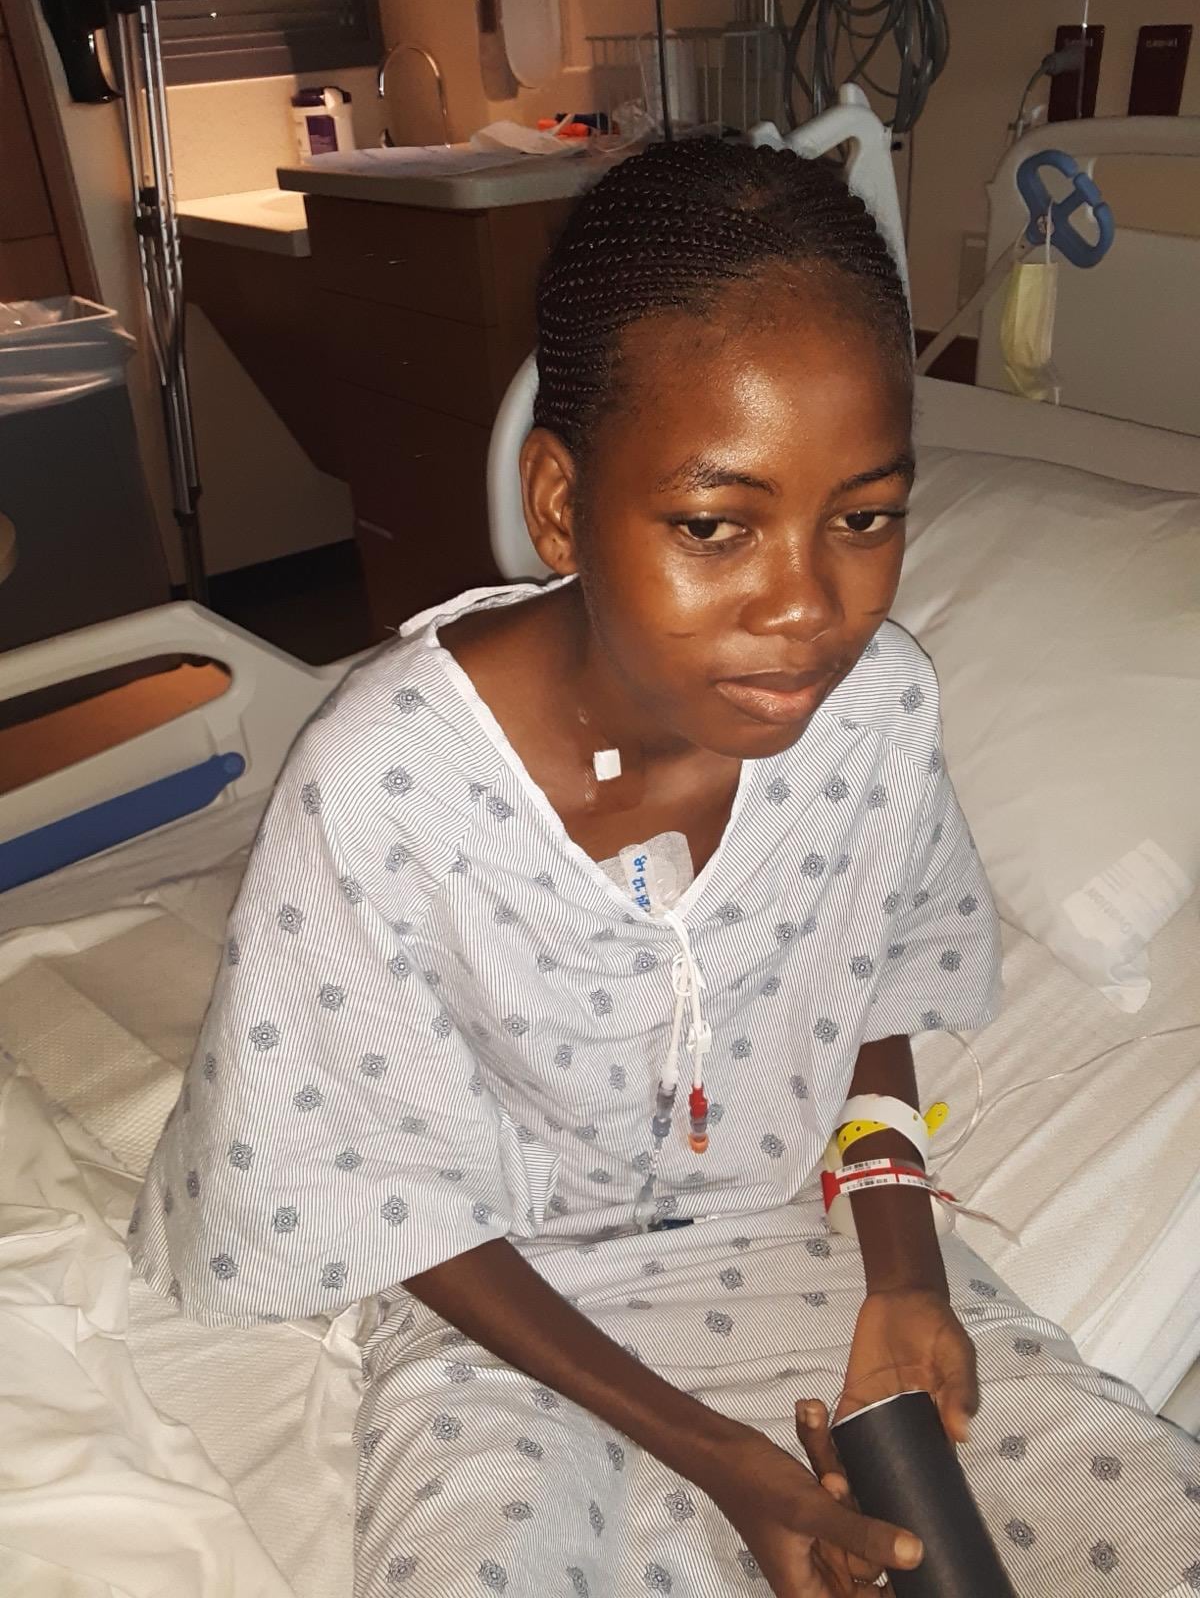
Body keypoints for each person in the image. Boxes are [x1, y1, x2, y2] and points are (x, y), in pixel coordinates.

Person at [131, 139, 1200, 1598]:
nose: (807, 606)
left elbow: (872, 980)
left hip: (801, 1243)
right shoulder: (387, 780)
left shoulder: (874, 713)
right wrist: (721, 1457)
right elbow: (376, 1182)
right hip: (502, 1299)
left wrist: (902, 1273)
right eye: (715, 526)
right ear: (559, 505)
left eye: (864, 517)